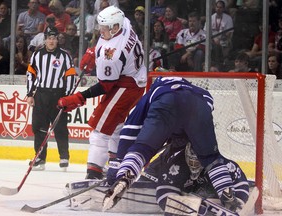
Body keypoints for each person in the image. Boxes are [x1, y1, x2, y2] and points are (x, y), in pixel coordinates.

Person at [102, 76, 247, 213]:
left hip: (166, 103)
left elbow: (129, 133)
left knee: (142, 149)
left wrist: (120, 164)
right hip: (198, 106)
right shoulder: (201, 93)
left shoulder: (155, 91)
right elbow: (206, 111)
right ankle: (226, 193)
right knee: (211, 157)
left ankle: (126, 175)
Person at [57, 6, 147, 179]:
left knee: (100, 130)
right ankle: (116, 163)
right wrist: (94, 51)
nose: (100, 30)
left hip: (126, 85)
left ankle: (94, 174)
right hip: (134, 78)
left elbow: (105, 86)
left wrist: (79, 97)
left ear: (115, 28)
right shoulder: (125, 23)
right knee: (115, 125)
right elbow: (104, 41)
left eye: (104, 28)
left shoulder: (111, 55)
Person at [26, 26, 76, 170]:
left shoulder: (65, 56)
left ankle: (64, 157)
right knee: (39, 127)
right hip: (40, 95)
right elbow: (31, 75)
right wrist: (30, 94)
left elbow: (71, 76)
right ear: (45, 39)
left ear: (57, 40)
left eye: (54, 38)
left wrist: (67, 96)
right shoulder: (37, 55)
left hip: (58, 95)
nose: (52, 41)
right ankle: (40, 158)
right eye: (49, 38)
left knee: (60, 128)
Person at [155, 142, 249, 215]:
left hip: (214, 201)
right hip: (187, 201)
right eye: (192, 161)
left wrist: (237, 202)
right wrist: (187, 207)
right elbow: (163, 196)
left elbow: (241, 184)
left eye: (198, 162)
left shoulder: (224, 165)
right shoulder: (175, 166)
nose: (194, 165)